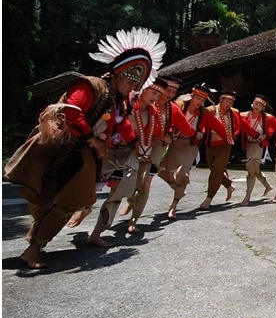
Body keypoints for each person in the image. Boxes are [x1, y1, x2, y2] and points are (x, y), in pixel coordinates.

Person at [5, 27, 165, 268]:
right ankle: (34, 246)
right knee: (47, 196)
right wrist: (94, 140)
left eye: (137, 82)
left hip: (81, 155)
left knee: (74, 199)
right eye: (130, 78)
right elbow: (70, 111)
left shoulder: (117, 102)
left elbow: (123, 128)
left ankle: (35, 243)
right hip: (60, 149)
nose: (132, 85)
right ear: (117, 72)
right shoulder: (91, 86)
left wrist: (137, 146)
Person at [84, 78, 165, 246]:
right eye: (153, 92)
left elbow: (156, 132)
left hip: (130, 154)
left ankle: (97, 232)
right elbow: (115, 122)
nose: (155, 97)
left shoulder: (152, 112)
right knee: (85, 188)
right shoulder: (124, 103)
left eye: (159, 94)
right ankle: (82, 210)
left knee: (118, 193)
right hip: (105, 149)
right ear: (143, 88)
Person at [116, 75, 197, 224]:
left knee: (146, 181)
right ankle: (131, 201)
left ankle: (134, 219)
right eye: (168, 90)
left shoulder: (172, 108)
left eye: (174, 91)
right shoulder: (144, 103)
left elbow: (186, 127)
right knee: (131, 178)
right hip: (135, 143)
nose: (170, 94)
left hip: (156, 146)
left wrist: (191, 135)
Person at [158, 84, 227, 218]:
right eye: (198, 99)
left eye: (203, 101)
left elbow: (218, 127)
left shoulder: (205, 113)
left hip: (191, 145)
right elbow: (166, 121)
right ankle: (178, 190)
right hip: (175, 143)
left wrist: (228, 138)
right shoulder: (179, 105)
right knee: (162, 170)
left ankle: (174, 205)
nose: (200, 103)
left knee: (183, 174)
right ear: (192, 96)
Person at [200, 90, 259, 210]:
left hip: (225, 145)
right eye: (227, 100)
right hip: (211, 144)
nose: (229, 103)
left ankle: (209, 198)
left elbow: (244, 125)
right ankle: (229, 185)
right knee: (214, 169)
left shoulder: (234, 113)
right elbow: (201, 123)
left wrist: (257, 135)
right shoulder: (210, 110)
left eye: (232, 101)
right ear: (221, 100)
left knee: (216, 171)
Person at [239, 94, 276, 206]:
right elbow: (238, 127)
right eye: (256, 103)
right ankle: (267, 186)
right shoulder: (243, 115)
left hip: (259, 145)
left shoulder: (268, 118)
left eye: (260, 105)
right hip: (249, 145)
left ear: (263, 107)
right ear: (252, 103)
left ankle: (247, 196)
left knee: (251, 166)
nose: (257, 106)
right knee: (255, 170)